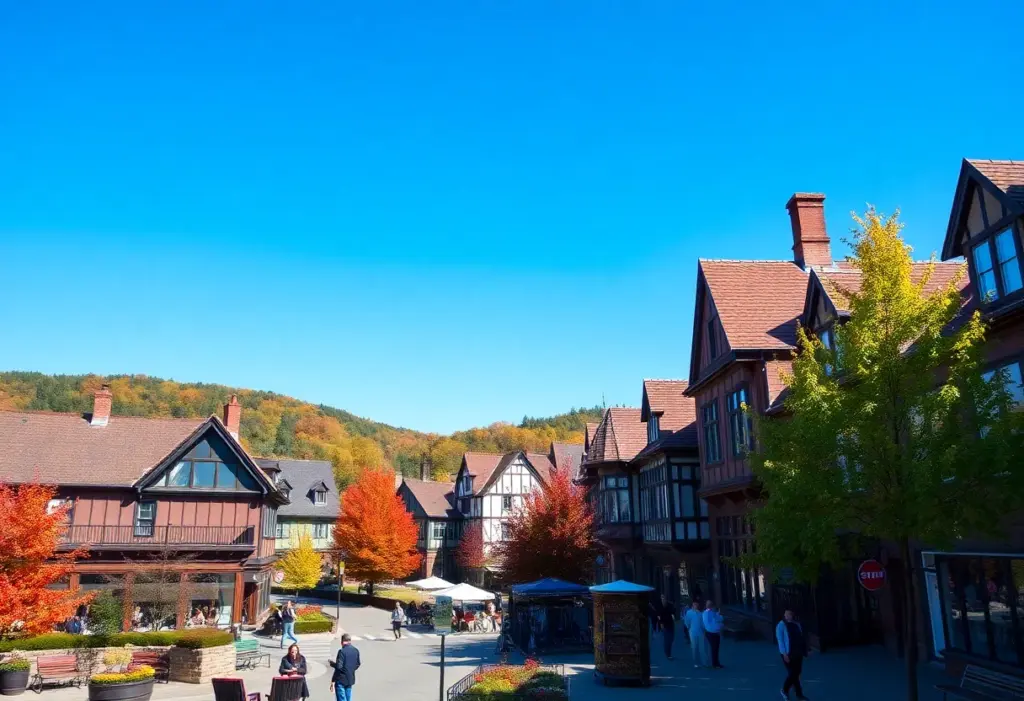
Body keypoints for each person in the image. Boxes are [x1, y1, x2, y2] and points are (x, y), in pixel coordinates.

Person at [776, 609, 809, 700]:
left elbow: (801, 638)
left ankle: (798, 693)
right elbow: (780, 641)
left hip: (798, 652)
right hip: (788, 653)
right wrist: (784, 654)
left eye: (790, 614)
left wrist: (805, 650)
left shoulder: (796, 624)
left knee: (796, 672)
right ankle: (785, 690)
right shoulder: (781, 625)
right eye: (786, 614)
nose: (788, 616)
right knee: (793, 673)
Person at [331, 633, 361, 701]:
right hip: (350, 678)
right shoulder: (355, 650)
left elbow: (339, 666)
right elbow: (358, 664)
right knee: (348, 698)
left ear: (342, 642)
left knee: (341, 698)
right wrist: (350, 669)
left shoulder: (342, 652)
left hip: (341, 679)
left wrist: (333, 664)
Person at [684, 601, 709, 668]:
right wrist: (688, 628)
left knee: (702, 648)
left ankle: (704, 662)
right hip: (692, 632)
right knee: (694, 647)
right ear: (692, 604)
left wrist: (705, 630)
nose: (696, 605)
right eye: (695, 604)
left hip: (700, 632)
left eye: (697, 604)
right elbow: (686, 621)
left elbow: (702, 623)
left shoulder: (700, 613)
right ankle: (695, 662)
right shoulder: (689, 613)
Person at [703, 600, 724, 669]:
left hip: (714, 633)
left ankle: (716, 663)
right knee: (714, 648)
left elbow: (720, 619)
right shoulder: (708, 613)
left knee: (715, 648)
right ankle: (715, 664)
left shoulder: (711, 613)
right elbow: (717, 620)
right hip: (711, 633)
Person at [659, 595, 676, 660]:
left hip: (671, 624)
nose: (663, 600)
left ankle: (668, 652)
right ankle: (668, 654)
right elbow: (659, 615)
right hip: (664, 625)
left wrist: (673, 616)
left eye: (664, 599)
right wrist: (661, 624)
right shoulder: (660, 606)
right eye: (662, 599)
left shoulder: (670, 605)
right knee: (667, 640)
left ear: (666, 599)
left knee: (671, 639)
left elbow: (673, 613)